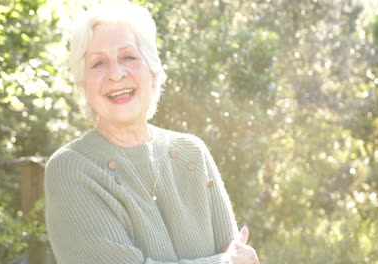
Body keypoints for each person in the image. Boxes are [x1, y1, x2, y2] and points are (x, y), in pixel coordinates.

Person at [44, 2, 260, 264]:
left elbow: (236, 254)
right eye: (98, 63)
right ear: (83, 85)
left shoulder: (192, 153)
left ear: (153, 73)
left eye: (129, 57)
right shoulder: (71, 168)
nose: (116, 73)